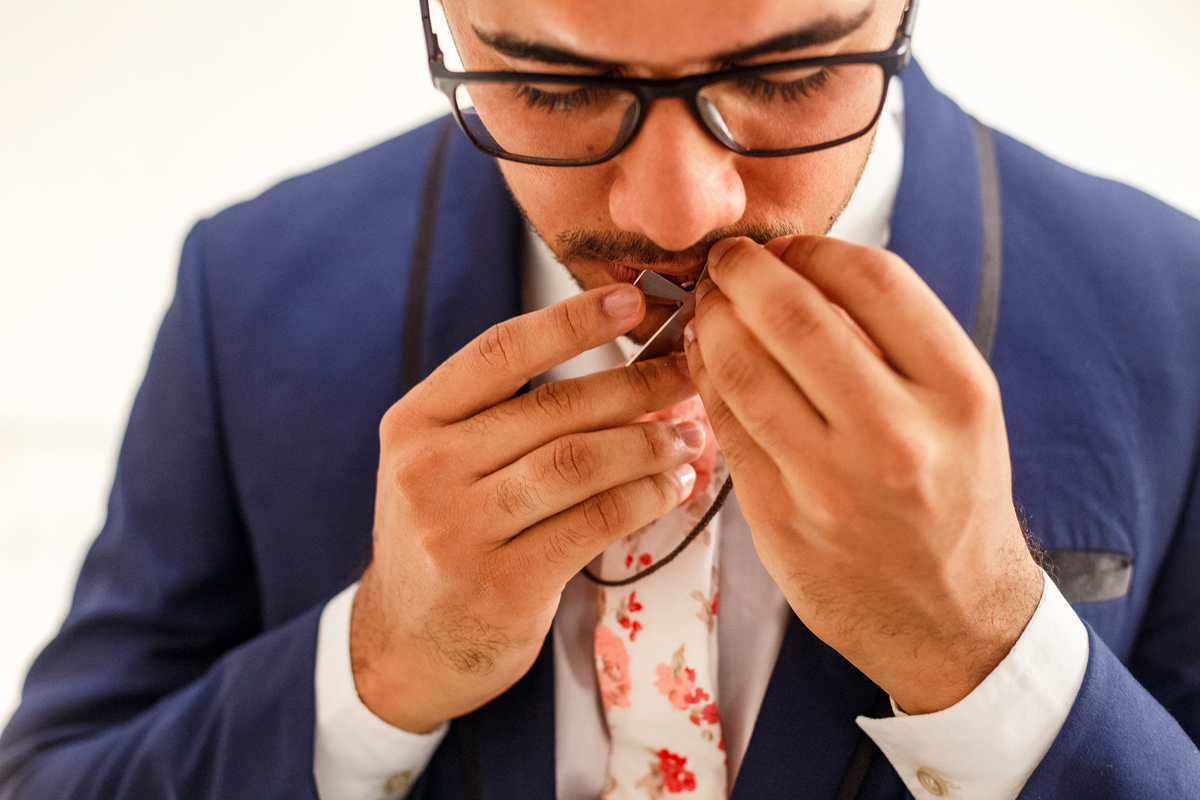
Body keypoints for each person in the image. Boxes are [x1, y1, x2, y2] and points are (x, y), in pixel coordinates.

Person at [2, 0, 1199, 797]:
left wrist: (987, 650)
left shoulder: (1173, 307)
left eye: (789, 73)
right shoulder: (244, 288)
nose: (678, 210)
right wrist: (374, 670)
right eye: (551, 84)